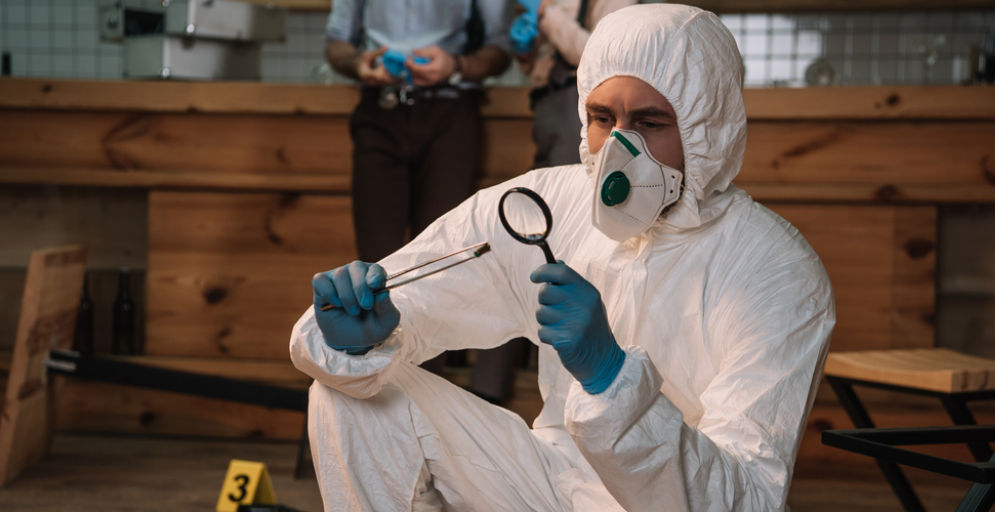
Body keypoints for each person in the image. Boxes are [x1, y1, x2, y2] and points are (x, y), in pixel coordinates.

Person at [293, 4, 835, 511]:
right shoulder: (547, 205)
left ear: (706, 129)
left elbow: (746, 499)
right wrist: (366, 330)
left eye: (649, 123)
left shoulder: (776, 271)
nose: (619, 149)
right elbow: (417, 290)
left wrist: (613, 381)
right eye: (602, 117)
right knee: (351, 390)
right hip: (552, 482)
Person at [324, 0, 514, 376]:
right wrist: (358, 64)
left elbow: (500, 47)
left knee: (438, 262)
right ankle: (375, 383)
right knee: (376, 264)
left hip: (450, 114)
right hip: (379, 112)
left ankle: (426, 387)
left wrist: (457, 65)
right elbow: (337, 41)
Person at [510, 0, 635, 168]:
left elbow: (599, 57)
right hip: (545, 104)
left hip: (577, 104)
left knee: (568, 179)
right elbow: (538, 66)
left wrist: (546, 11)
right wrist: (524, 54)